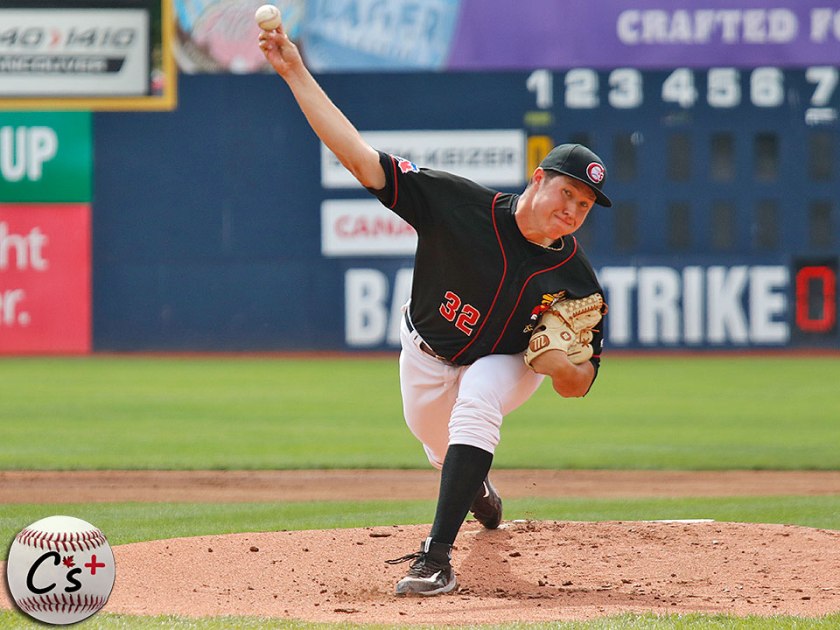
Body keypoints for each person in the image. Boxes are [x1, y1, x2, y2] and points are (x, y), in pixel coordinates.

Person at [259, 24, 611, 597]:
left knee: (480, 396)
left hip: (509, 363)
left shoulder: (576, 279)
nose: (573, 209)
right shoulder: (458, 205)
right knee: (439, 443)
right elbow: (359, 159)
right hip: (424, 353)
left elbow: (582, 382)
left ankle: (436, 558)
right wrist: (295, 71)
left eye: (586, 204)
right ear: (538, 179)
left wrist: (561, 369)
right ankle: (477, 490)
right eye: (566, 192)